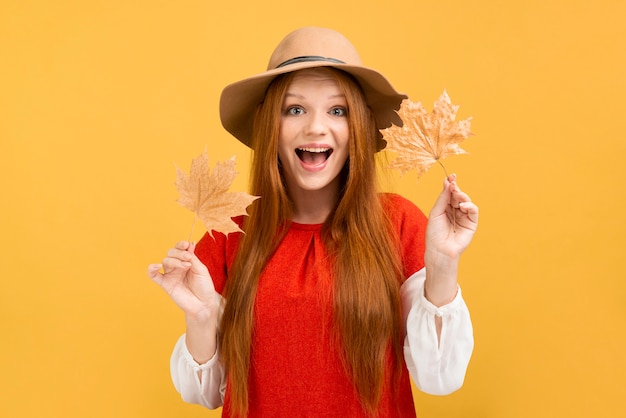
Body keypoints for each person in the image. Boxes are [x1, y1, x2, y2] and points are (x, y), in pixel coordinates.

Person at [148, 26, 479, 418]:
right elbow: (203, 394)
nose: (316, 127)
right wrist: (200, 317)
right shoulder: (229, 236)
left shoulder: (398, 224)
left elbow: (439, 378)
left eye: (337, 110)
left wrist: (442, 265)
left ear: (357, 125)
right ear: (270, 123)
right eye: (295, 109)